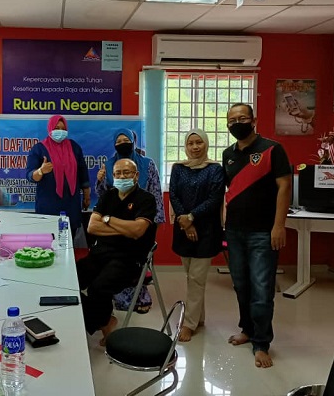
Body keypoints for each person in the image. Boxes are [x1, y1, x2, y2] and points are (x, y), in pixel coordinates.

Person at [222, 104, 291, 369]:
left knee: (262, 289)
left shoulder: (272, 149)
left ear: (253, 120)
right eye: (232, 120)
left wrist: (279, 226)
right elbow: (230, 190)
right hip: (234, 231)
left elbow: (285, 186)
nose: (237, 123)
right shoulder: (228, 154)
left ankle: (261, 344)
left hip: (263, 232)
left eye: (242, 118)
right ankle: (248, 330)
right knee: (241, 286)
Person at [78, 159, 157, 345]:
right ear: (112, 176)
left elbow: (137, 231)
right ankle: (105, 321)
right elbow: (92, 227)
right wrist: (125, 229)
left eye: (126, 173)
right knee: (69, 282)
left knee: (98, 288)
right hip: (100, 253)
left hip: (128, 259)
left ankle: (101, 323)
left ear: (136, 176)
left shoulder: (146, 199)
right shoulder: (108, 196)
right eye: (118, 173)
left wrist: (107, 219)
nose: (122, 176)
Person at [169, 129, 225, 342]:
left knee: (196, 278)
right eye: (190, 143)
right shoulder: (178, 168)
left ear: (206, 144)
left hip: (207, 231)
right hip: (183, 229)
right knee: (191, 277)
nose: (194, 147)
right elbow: (173, 194)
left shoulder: (215, 169)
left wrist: (191, 217)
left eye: (198, 142)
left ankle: (189, 323)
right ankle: (199, 317)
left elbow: (214, 198)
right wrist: (185, 222)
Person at [26, 114, 91, 234]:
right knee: (49, 240)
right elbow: (30, 176)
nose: (60, 131)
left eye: (63, 128)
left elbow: (82, 171)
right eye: (56, 128)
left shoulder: (74, 147)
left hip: (71, 204)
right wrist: (41, 171)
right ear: (50, 128)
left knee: (70, 237)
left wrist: (87, 195)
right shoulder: (39, 149)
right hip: (48, 204)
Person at [96, 128, 165, 224]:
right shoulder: (108, 165)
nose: (122, 143)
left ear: (133, 142)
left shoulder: (148, 164)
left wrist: (157, 221)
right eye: (118, 141)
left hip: (143, 217)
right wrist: (100, 181)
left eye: (126, 140)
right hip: (115, 220)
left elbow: (156, 194)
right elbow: (102, 196)